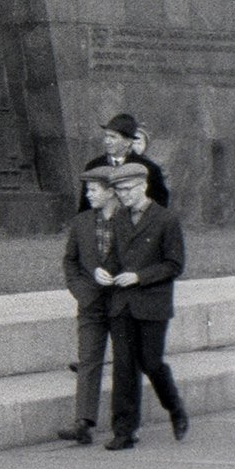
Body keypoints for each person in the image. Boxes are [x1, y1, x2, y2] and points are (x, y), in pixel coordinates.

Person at [103, 161, 187, 450]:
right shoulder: (118, 218)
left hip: (153, 304)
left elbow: (175, 265)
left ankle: (174, 406)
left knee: (151, 363)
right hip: (123, 305)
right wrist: (104, 271)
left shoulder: (166, 219)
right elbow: (115, 256)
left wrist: (139, 276)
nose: (123, 196)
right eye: (119, 192)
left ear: (143, 186)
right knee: (124, 367)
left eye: (127, 190)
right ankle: (124, 430)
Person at [56, 167, 124, 445]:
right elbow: (70, 262)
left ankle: (126, 423)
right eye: (87, 190)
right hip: (91, 303)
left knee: (126, 363)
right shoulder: (82, 223)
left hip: (122, 302)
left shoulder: (130, 221)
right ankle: (83, 422)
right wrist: (82, 291)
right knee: (88, 361)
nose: (89, 194)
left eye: (94, 190)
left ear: (111, 192)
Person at [81, 114, 169, 210]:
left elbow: (159, 207)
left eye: (113, 137)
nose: (107, 141)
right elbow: (85, 207)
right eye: (106, 136)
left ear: (127, 142)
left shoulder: (149, 168)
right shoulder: (93, 167)